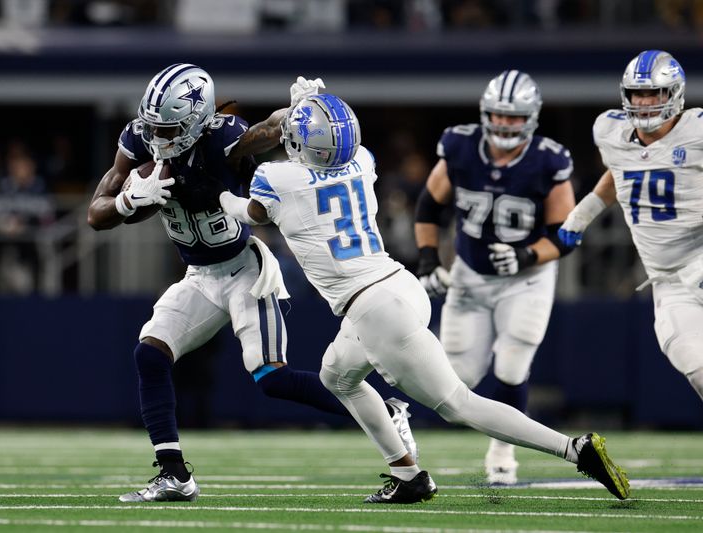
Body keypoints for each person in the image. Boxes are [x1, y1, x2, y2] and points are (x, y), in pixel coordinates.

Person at [216, 90, 630, 503]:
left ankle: (574, 449)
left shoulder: (278, 179)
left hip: (373, 307)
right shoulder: (361, 162)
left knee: (458, 404)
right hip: (398, 284)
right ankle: (408, 475)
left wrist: (216, 192)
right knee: (336, 376)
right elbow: (324, 155)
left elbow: (246, 208)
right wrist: (310, 104)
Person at [87, 64, 418, 503]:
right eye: (153, 126)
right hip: (199, 276)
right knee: (150, 352)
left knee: (272, 379)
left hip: (246, 272)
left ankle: (386, 411)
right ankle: (174, 477)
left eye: (168, 128)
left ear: (197, 119)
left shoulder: (223, 137)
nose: (158, 138)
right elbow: (97, 212)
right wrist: (129, 201)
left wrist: (298, 109)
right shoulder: (138, 138)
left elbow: (271, 129)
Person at [412, 70, 577, 485]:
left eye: (513, 117)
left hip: (528, 278)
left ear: (531, 118)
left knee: (512, 363)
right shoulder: (460, 146)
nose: (504, 124)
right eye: (499, 116)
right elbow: (429, 206)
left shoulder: (548, 159)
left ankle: (503, 452)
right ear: (486, 114)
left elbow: (566, 232)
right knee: (455, 377)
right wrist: (429, 259)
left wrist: (526, 255)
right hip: (470, 274)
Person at [559, 50, 703, 402]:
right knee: (694, 364)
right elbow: (621, 173)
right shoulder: (611, 132)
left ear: (675, 94)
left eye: (654, 93)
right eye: (638, 94)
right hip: (667, 279)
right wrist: (581, 215)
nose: (645, 102)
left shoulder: (696, 131)